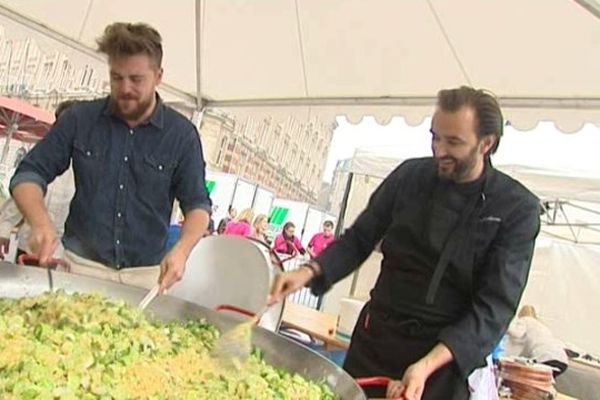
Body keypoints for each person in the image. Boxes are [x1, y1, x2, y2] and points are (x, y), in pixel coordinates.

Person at [270, 86, 541, 400]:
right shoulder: (409, 177)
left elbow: (492, 310)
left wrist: (425, 366)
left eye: (453, 142)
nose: (439, 150)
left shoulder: (516, 209)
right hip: (376, 338)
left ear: (487, 144)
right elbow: (359, 238)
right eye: (435, 136)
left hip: (441, 360)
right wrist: (306, 272)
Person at [10, 22, 211, 293]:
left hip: (146, 277)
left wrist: (183, 251)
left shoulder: (183, 135)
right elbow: (28, 175)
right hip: (80, 267)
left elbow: (197, 204)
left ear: (158, 76)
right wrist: (40, 222)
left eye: (136, 79)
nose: (125, 88)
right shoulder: (80, 119)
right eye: (117, 77)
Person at [0, 100, 78, 261]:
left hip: (65, 256)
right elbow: (21, 193)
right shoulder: (40, 158)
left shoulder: (86, 165)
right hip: (29, 248)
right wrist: (4, 231)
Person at [505, 305, 568, 377]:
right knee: (543, 382)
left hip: (545, 357)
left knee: (528, 379)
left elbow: (517, 333)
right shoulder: (543, 326)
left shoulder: (525, 320)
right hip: (562, 360)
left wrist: (504, 326)